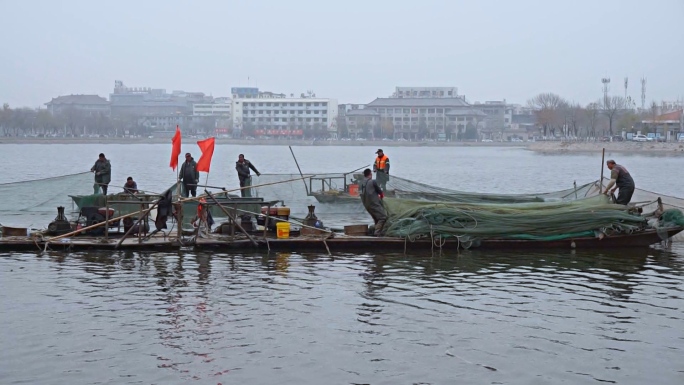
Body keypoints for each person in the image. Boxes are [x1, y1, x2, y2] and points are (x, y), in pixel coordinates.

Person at [361, 168, 387, 236]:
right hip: (373, 204)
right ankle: (377, 232)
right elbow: (379, 191)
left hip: (366, 205)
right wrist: (381, 195)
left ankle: (376, 232)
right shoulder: (373, 181)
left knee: (376, 218)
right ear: (370, 174)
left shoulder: (363, 183)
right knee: (383, 217)